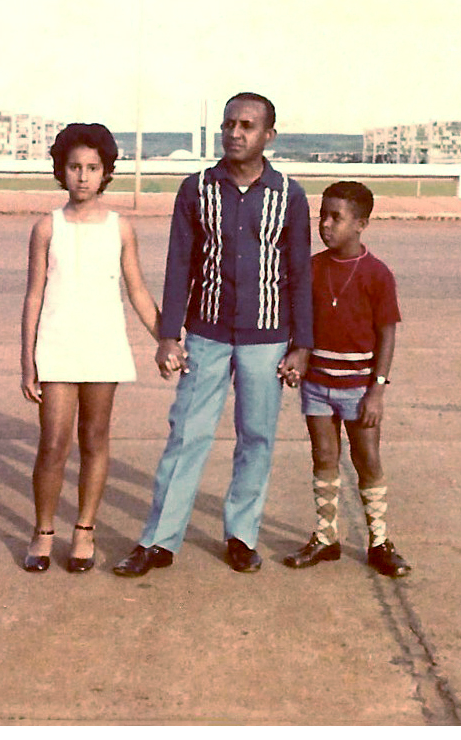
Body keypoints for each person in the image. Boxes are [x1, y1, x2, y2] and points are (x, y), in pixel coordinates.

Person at [113, 92, 313, 577]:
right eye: (229, 124)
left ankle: (242, 535)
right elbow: (179, 263)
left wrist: (303, 344)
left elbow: (300, 272)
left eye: (247, 125)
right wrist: (168, 335)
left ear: (269, 135)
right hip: (206, 333)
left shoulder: (289, 194)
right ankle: (159, 541)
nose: (235, 133)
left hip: (267, 338)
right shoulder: (196, 188)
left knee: (257, 437)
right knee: (188, 435)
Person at [20, 122, 174, 573]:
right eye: (74, 167)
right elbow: (33, 296)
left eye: (92, 168)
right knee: (53, 443)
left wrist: (166, 339)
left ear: (106, 172)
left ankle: (84, 529)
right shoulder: (46, 228)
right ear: (60, 170)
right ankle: (43, 530)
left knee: (95, 439)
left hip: (103, 345)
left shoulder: (120, 228)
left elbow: (139, 291)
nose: (83, 177)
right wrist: (26, 361)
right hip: (57, 346)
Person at [281, 181, 411, 577]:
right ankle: (325, 537)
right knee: (324, 456)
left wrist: (378, 390)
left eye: (337, 217)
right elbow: (299, 320)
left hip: (359, 388)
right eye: (323, 215)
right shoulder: (313, 268)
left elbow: (387, 332)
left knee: (366, 458)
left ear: (361, 223)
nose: (326, 225)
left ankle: (379, 541)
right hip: (318, 383)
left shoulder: (377, 274)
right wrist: (294, 356)